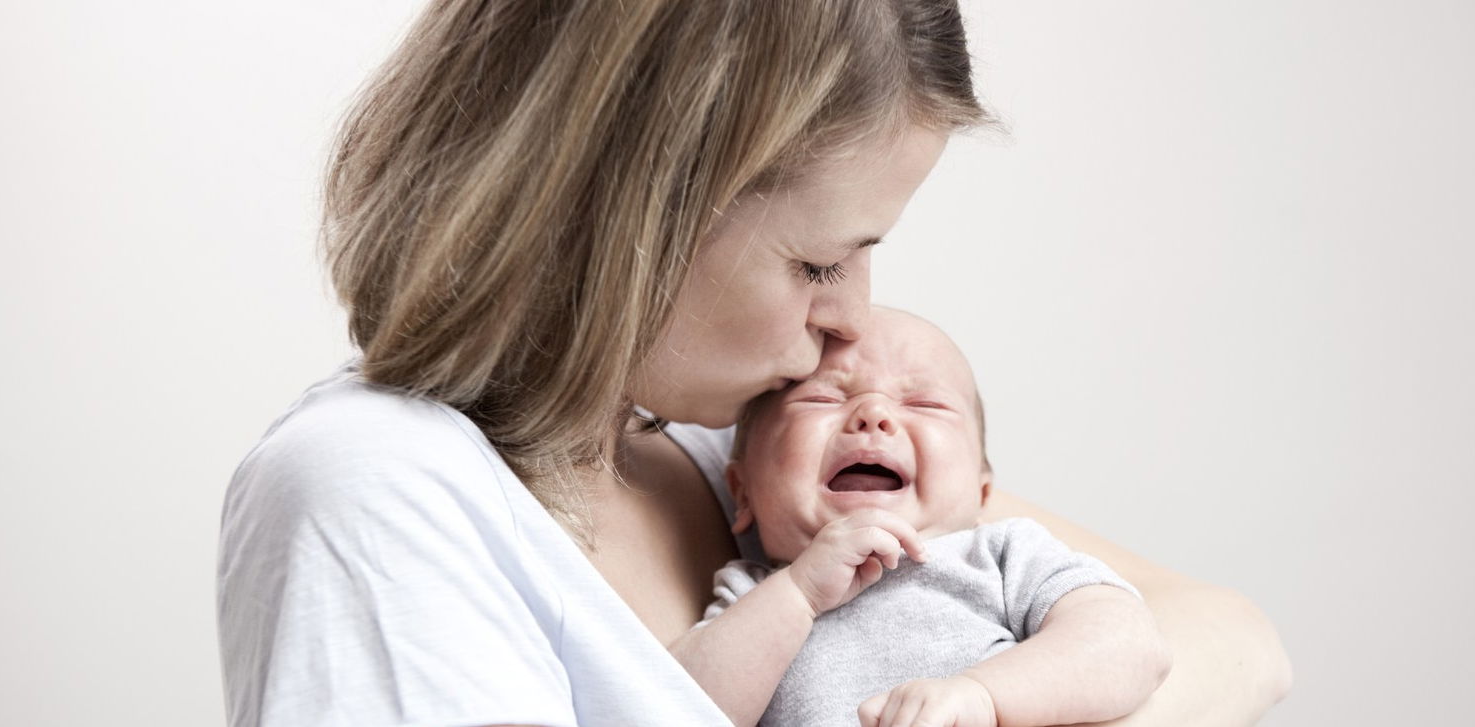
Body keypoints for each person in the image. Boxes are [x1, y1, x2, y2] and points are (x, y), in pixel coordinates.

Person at [217, 2, 1292, 726]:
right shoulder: (380, 492)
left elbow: (1231, 639)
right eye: (819, 261)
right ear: (626, 210)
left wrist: (987, 699)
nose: (851, 329)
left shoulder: (740, 444)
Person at [675, 307, 1172, 727]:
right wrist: (799, 594)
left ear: (981, 492)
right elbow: (664, 705)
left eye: (925, 403)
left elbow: (1131, 645)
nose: (873, 415)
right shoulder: (754, 599)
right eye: (822, 399)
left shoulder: (1001, 553)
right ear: (742, 494)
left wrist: (984, 694)